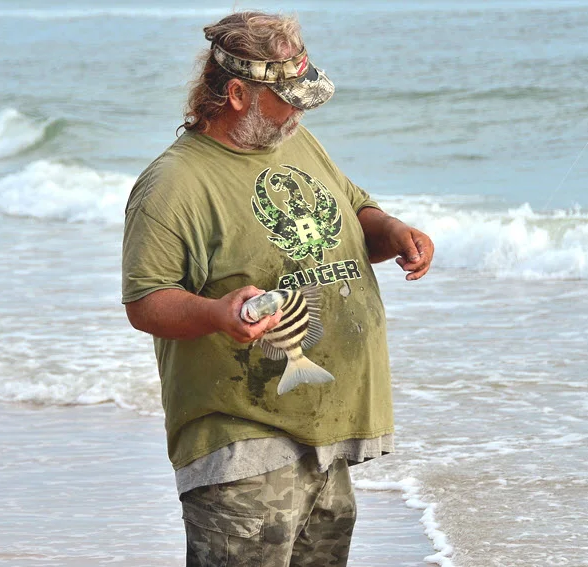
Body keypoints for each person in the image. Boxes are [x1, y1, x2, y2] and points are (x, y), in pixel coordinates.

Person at [121, 11, 433, 567]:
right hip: (241, 436)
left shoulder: (295, 139)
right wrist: (218, 313)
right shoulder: (173, 184)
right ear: (237, 93)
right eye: (287, 97)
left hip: (324, 428)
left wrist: (395, 232)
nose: (301, 109)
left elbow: (355, 210)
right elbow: (146, 303)